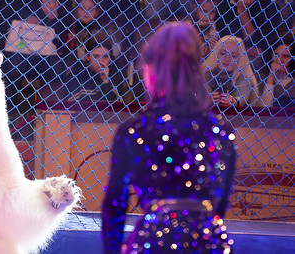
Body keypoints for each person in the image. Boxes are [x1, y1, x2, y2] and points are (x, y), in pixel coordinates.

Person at [102, 22, 236, 253]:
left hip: (154, 241)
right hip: (207, 241)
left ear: (151, 68)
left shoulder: (135, 130)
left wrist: (113, 250)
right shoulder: (220, 131)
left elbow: (115, 204)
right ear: (197, 68)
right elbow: (221, 204)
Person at [215, 0, 281, 79]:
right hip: (228, 54)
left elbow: (258, 44)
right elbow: (224, 39)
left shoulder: (269, 8)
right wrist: (244, 50)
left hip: (256, 60)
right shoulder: (222, 5)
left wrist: (242, 12)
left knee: (255, 59)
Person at [61, 34, 120, 102]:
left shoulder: (116, 74)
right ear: (87, 56)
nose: (100, 61)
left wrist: (105, 80)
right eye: (96, 56)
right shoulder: (76, 75)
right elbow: (72, 104)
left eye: (105, 56)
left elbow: (116, 106)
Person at [205, 35, 259, 107]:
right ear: (216, 54)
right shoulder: (205, 75)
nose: (227, 59)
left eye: (233, 56)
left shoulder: (244, 79)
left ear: (240, 59)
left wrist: (234, 102)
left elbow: (241, 98)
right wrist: (205, 101)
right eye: (223, 53)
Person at [261, 34, 295, 108]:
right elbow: (263, 111)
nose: (279, 60)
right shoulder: (260, 78)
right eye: (276, 55)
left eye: (285, 56)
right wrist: (270, 78)